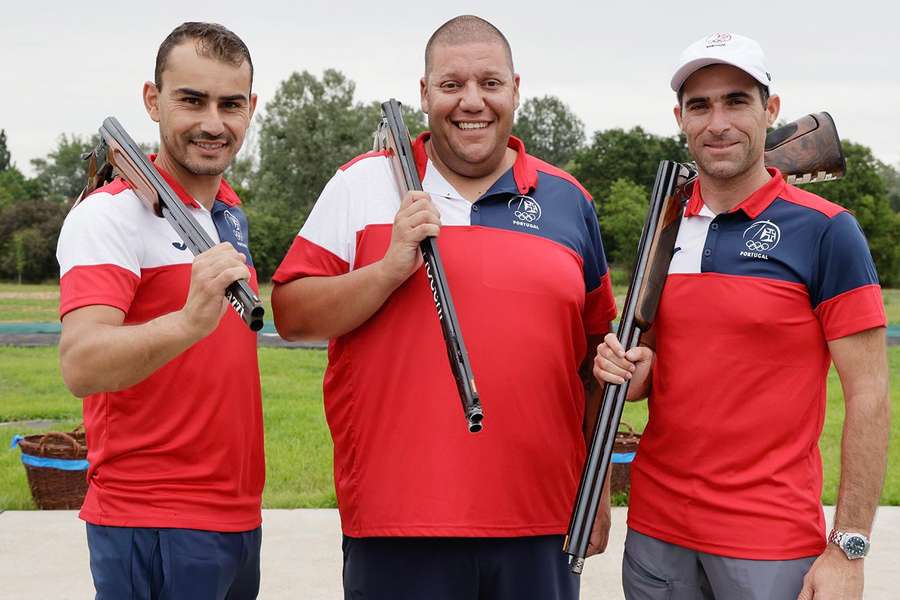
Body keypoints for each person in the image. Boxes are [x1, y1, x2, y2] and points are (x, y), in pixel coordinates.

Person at [271, 14, 616, 600]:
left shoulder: (568, 200)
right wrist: (387, 270)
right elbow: (290, 313)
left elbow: (593, 364)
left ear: (515, 90)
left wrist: (597, 491)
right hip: (396, 520)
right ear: (425, 93)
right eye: (452, 85)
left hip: (541, 522)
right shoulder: (362, 185)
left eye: (490, 83)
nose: (472, 102)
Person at [593, 33, 890, 600]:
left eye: (736, 100)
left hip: (770, 543)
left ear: (770, 111)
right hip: (657, 536)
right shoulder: (666, 225)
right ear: (680, 118)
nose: (718, 122)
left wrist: (848, 546)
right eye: (700, 106)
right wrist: (626, 367)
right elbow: (648, 367)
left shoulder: (827, 231)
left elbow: (871, 397)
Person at [56, 22, 264, 600]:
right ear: (153, 100)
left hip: (235, 512)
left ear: (252, 107)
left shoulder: (226, 211)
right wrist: (188, 323)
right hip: (151, 516)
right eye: (191, 100)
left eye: (231, 104)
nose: (212, 123)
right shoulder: (111, 215)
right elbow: (81, 362)